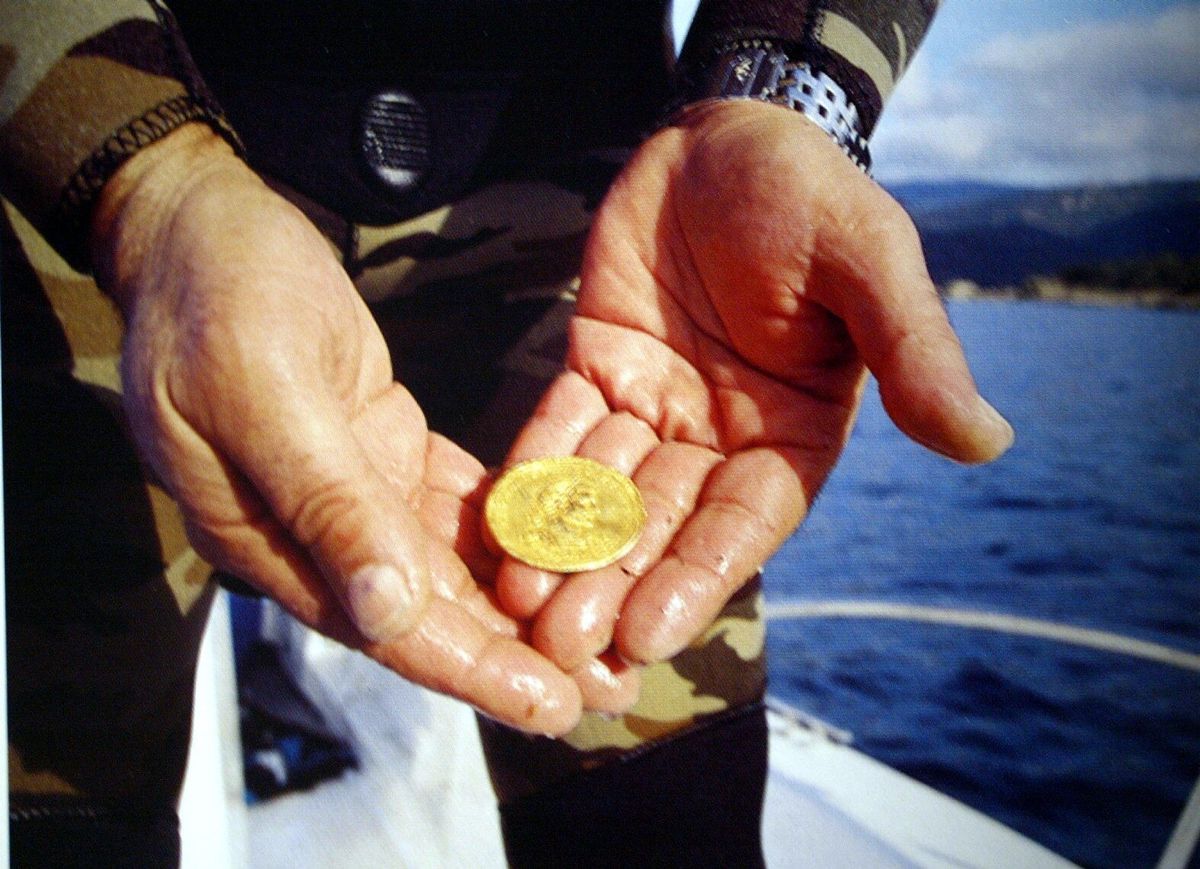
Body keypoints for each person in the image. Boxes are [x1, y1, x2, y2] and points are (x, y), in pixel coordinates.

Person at [2, 1, 1013, 865]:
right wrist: (145, 179)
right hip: (97, 184)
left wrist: (787, 84)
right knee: (64, 792)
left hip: (624, 227)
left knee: (661, 803)